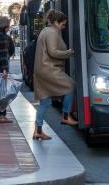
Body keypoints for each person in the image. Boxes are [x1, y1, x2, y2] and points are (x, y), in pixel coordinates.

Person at [33, 10, 76, 141]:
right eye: (62, 24)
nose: (63, 27)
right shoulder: (52, 33)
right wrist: (69, 53)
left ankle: (38, 131)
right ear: (56, 22)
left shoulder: (45, 31)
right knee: (70, 86)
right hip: (49, 69)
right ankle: (65, 115)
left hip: (41, 70)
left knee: (45, 101)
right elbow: (53, 52)